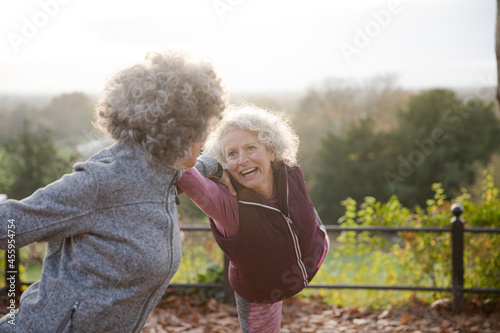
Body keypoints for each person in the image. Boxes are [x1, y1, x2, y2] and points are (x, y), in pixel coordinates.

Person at [0, 50, 227, 332]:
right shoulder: (101, 182)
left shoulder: (162, 172)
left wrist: (222, 166)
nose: (206, 136)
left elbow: (186, 173)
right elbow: (8, 223)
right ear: (175, 133)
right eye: (201, 128)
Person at [177, 104, 329, 333]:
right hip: (263, 293)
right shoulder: (225, 202)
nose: (243, 160)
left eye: (250, 148)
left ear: (272, 151)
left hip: (311, 259)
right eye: (232, 154)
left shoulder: (288, 171)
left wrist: (320, 237)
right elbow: (183, 172)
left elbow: (305, 207)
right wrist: (210, 165)